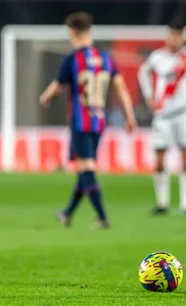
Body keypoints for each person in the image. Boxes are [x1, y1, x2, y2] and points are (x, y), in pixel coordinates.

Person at [39, 12, 137, 229]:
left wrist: (45, 97)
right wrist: (129, 116)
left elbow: (57, 87)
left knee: (86, 168)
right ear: (90, 31)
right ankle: (67, 213)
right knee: (84, 167)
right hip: (99, 121)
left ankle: (102, 217)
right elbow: (120, 88)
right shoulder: (106, 58)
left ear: (72, 32)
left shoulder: (72, 59)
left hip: (80, 120)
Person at [138, 21, 186, 216]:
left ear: (182, 37)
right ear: (167, 37)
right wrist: (149, 95)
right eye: (171, 35)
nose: (174, 39)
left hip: (184, 113)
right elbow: (143, 73)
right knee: (159, 159)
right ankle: (162, 203)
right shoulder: (158, 57)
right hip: (163, 115)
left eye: (177, 36)